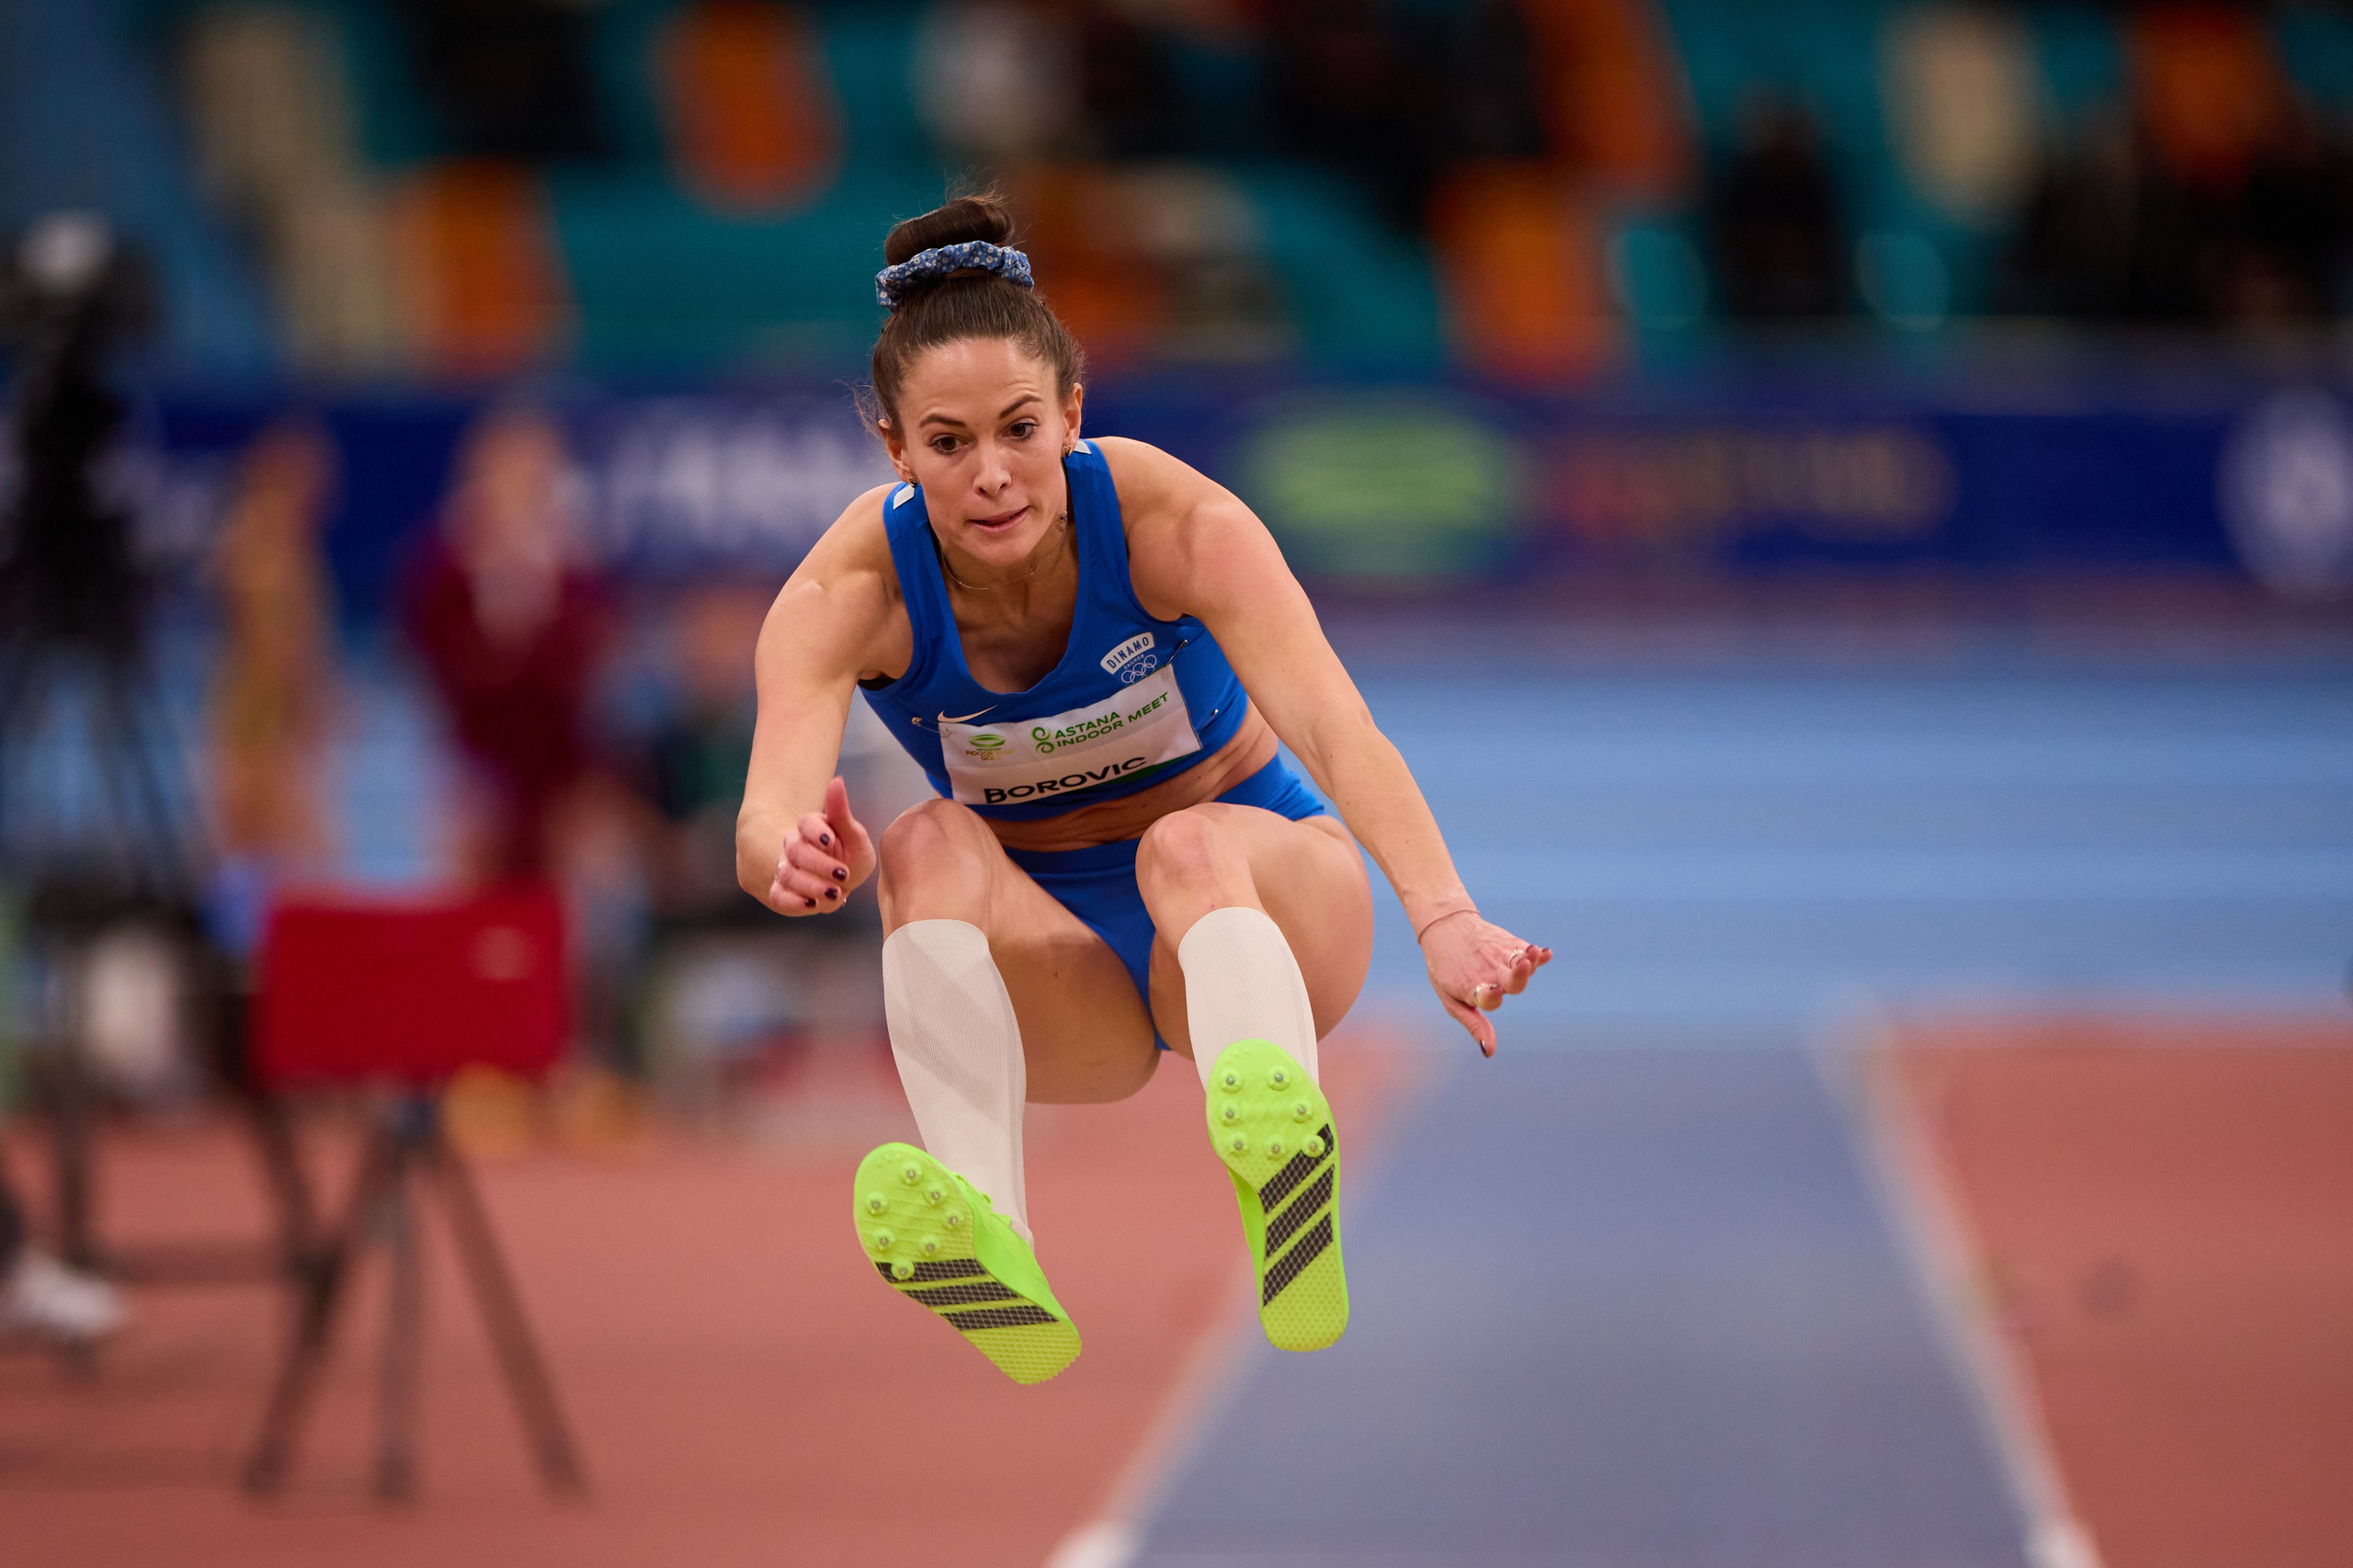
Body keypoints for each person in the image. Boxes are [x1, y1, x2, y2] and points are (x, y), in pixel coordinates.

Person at [736, 194, 1549, 1384]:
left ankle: (1285, 1181)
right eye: (950, 445)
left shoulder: (1175, 520)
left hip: (1267, 905)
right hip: (1070, 974)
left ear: (1073, 411)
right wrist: (789, 857)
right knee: (919, 845)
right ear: (896, 453)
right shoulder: (849, 592)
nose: (994, 476)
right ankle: (984, 1230)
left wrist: (1443, 911)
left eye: (1019, 429)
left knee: (1186, 846)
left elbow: (1332, 720)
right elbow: (769, 808)